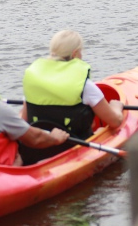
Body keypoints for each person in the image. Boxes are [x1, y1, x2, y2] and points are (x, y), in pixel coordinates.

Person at [20, 30, 124, 165]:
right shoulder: (85, 85)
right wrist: (117, 106)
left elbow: (23, 121)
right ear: (75, 54)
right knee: (100, 129)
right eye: (81, 52)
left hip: (37, 149)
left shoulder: (33, 80)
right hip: (74, 148)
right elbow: (115, 121)